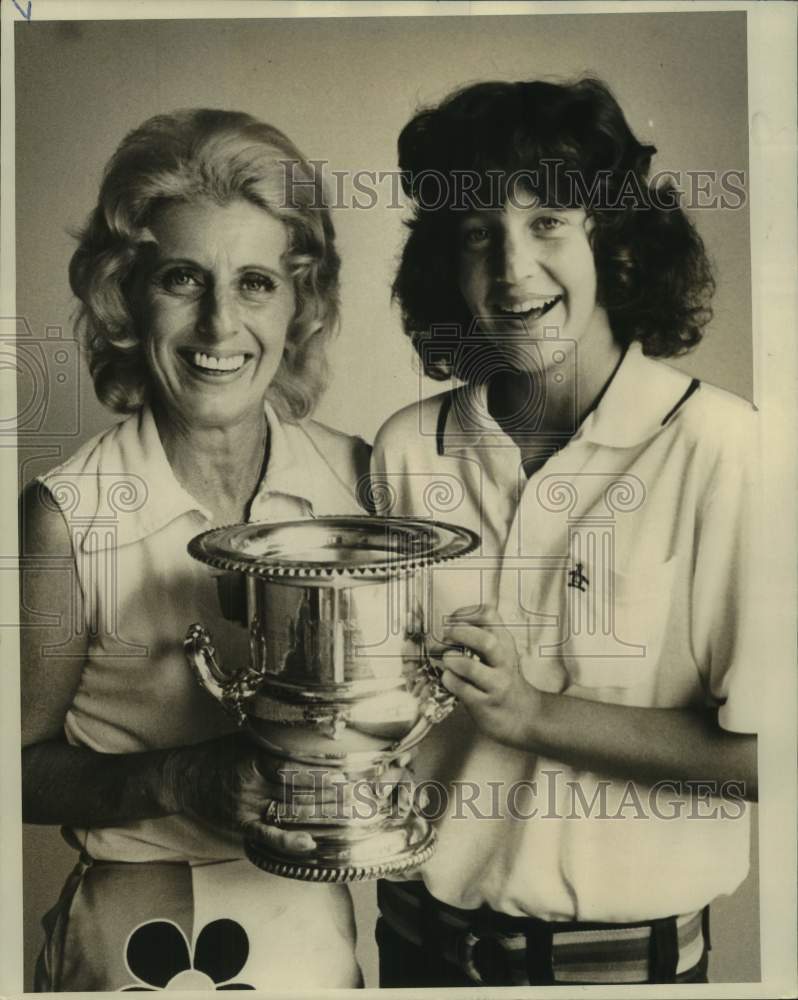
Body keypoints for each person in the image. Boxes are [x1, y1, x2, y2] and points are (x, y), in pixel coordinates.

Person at [370, 77, 760, 987]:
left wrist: (532, 713)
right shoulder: (406, 448)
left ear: (616, 241)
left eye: (549, 220)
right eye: (478, 235)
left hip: (618, 967)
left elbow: (772, 759)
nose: (512, 271)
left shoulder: (723, 448)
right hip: (414, 950)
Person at [19, 109, 371, 991]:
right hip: (136, 932)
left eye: (255, 282)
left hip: (316, 918)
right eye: (184, 278)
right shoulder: (65, 517)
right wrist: (176, 781)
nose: (220, 325)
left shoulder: (358, 482)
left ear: (300, 306)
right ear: (128, 296)